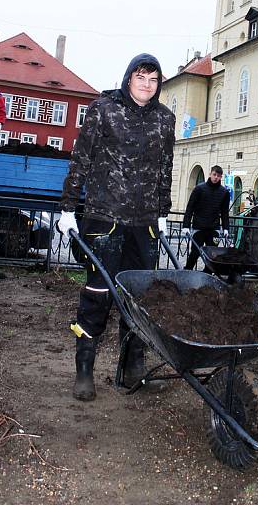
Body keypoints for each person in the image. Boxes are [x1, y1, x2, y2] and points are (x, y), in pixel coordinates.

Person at [57, 53, 175, 401]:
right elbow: (81, 158)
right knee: (97, 294)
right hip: (104, 218)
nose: (147, 85)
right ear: (128, 78)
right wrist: (67, 207)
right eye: (141, 77)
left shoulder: (165, 120)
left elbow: (165, 169)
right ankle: (84, 370)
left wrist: (163, 212)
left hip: (144, 223)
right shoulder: (103, 109)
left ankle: (131, 369)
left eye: (153, 80)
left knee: (138, 297)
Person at [182, 165, 230, 271]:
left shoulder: (224, 192)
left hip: (214, 228)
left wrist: (226, 228)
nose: (216, 177)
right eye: (214, 175)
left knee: (213, 256)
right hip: (199, 227)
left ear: (221, 177)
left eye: (218, 176)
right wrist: (186, 225)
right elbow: (190, 208)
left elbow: (224, 212)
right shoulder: (199, 189)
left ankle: (207, 275)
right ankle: (187, 271)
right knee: (195, 252)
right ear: (210, 174)